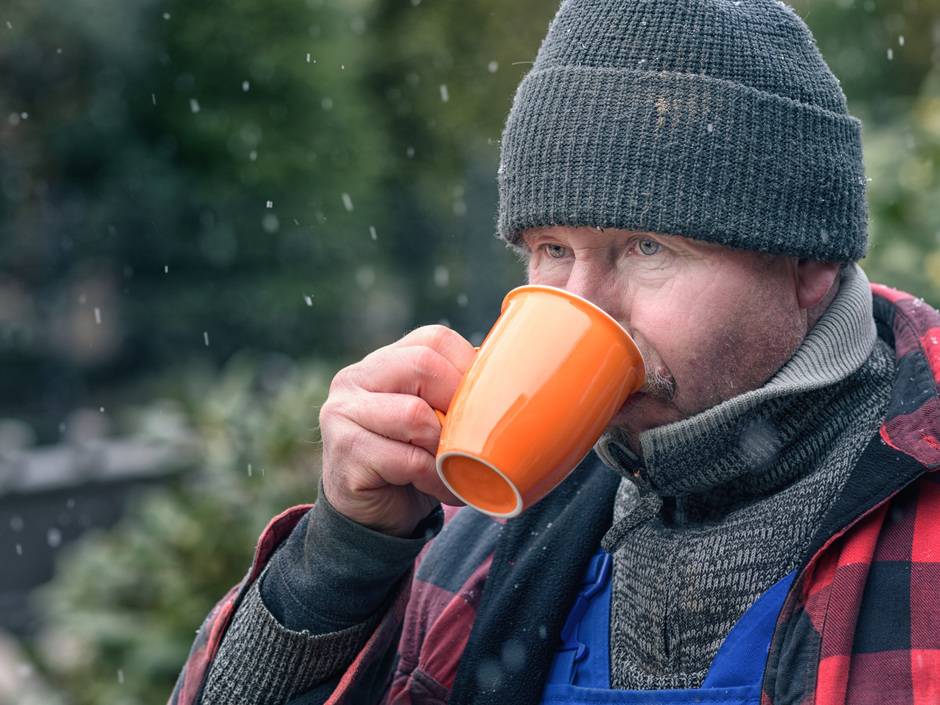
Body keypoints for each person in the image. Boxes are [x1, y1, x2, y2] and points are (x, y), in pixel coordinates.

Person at [170, 1, 940, 704]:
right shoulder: (494, 522)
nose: (583, 303)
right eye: (551, 248)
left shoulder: (921, 514)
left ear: (807, 263)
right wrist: (339, 558)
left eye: (646, 246)